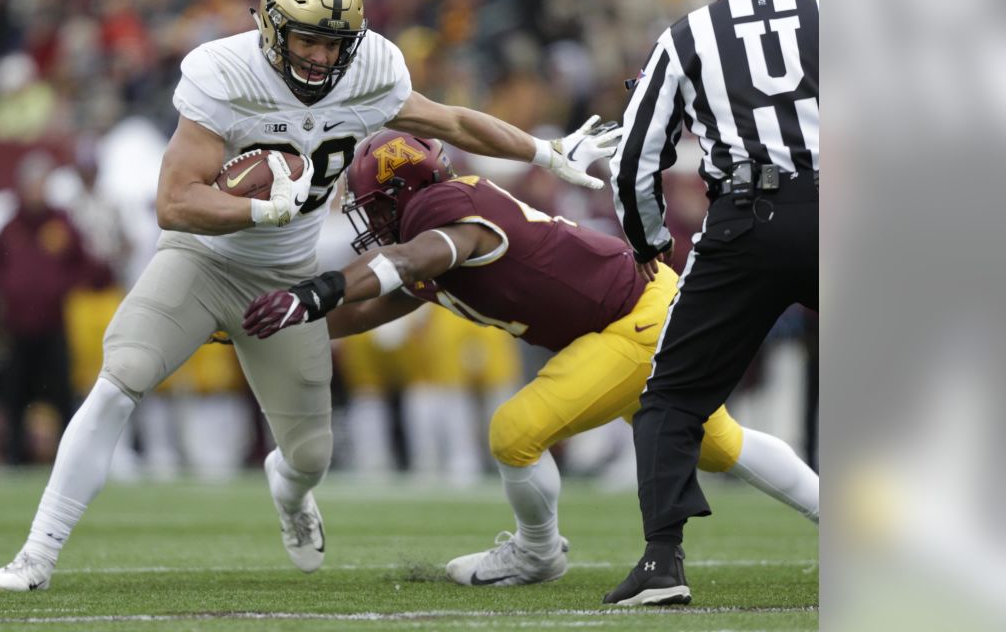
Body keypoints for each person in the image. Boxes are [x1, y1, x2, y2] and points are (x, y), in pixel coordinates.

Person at [0, 0, 623, 591]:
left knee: (312, 456)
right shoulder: (223, 72)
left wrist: (546, 150)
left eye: (334, 43)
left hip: (284, 277)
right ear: (268, 23)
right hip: (202, 261)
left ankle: (289, 495)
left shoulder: (372, 66)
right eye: (309, 39)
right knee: (121, 378)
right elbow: (175, 202)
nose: (321, 57)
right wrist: (258, 208)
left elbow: (452, 121)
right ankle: (36, 554)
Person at [242, 130, 819, 587]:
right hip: (640, 316)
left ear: (404, 196)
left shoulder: (440, 216)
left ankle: (537, 552)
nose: (368, 219)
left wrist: (318, 288)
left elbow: (423, 257)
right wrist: (283, 322)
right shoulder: (423, 237)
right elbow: (379, 305)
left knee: (515, 432)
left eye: (374, 204)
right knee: (722, 445)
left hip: (634, 322)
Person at [603, 0, 819, 606]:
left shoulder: (688, 35)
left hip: (747, 225)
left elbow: (637, 159)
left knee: (672, 398)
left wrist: (648, 243)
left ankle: (663, 563)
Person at [0, 152, 112, 465]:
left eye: (42, 185)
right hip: (18, 327)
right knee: (14, 395)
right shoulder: (11, 227)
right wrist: (4, 294)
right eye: (33, 185)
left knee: (61, 396)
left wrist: (64, 285)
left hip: (53, 324)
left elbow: (87, 265)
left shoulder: (61, 224)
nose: (37, 191)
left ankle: (67, 459)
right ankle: (13, 458)